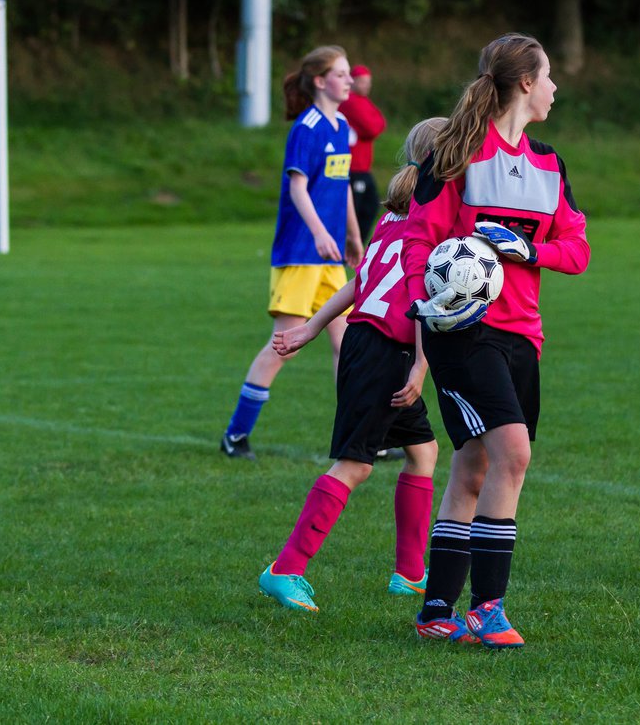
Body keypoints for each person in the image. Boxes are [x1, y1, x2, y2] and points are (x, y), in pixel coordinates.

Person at [402, 33, 590, 648]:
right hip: (463, 331)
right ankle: (487, 608)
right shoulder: (457, 153)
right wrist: (421, 298)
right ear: (527, 84)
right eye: (550, 76)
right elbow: (416, 238)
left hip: (522, 336)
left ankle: (435, 610)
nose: (557, 87)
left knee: (476, 464)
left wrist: (528, 249)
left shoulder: (549, 164)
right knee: (512, 453)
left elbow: (578, 250)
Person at [257, 118, 448, 612]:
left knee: (423, 452)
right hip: (387, 350)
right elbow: (425, 296)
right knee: (356, 465)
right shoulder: (434, 220)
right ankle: (286, 569)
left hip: (370, 342)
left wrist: (310, 327)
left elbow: (357, 283)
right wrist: (421, 367)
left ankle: (409, 573)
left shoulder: (395, 214)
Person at [220, 46, 364, 461]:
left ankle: (356, 437)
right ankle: (235, 434)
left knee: (347, 344)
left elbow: (340, 190)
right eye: (341, 73)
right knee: (285, 345)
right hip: (301, 253)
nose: (349, 79)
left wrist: (352, 235)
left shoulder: (341, 126)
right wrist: (320, 233)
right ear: (320, 81)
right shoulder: (308, 127)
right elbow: (298, 188)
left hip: (331, 256)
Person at [340, 64, 387, 245]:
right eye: (362, 81)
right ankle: (348, 245)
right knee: (359, 208)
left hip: (362, 166)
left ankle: (354, 244)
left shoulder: (362, 101)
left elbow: (379, 122)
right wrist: (371, 127)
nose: (366, 86)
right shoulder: (350, 101)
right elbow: (372, 127)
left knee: (369, 205)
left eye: (368, 82)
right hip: (354, 167)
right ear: (352, 82)